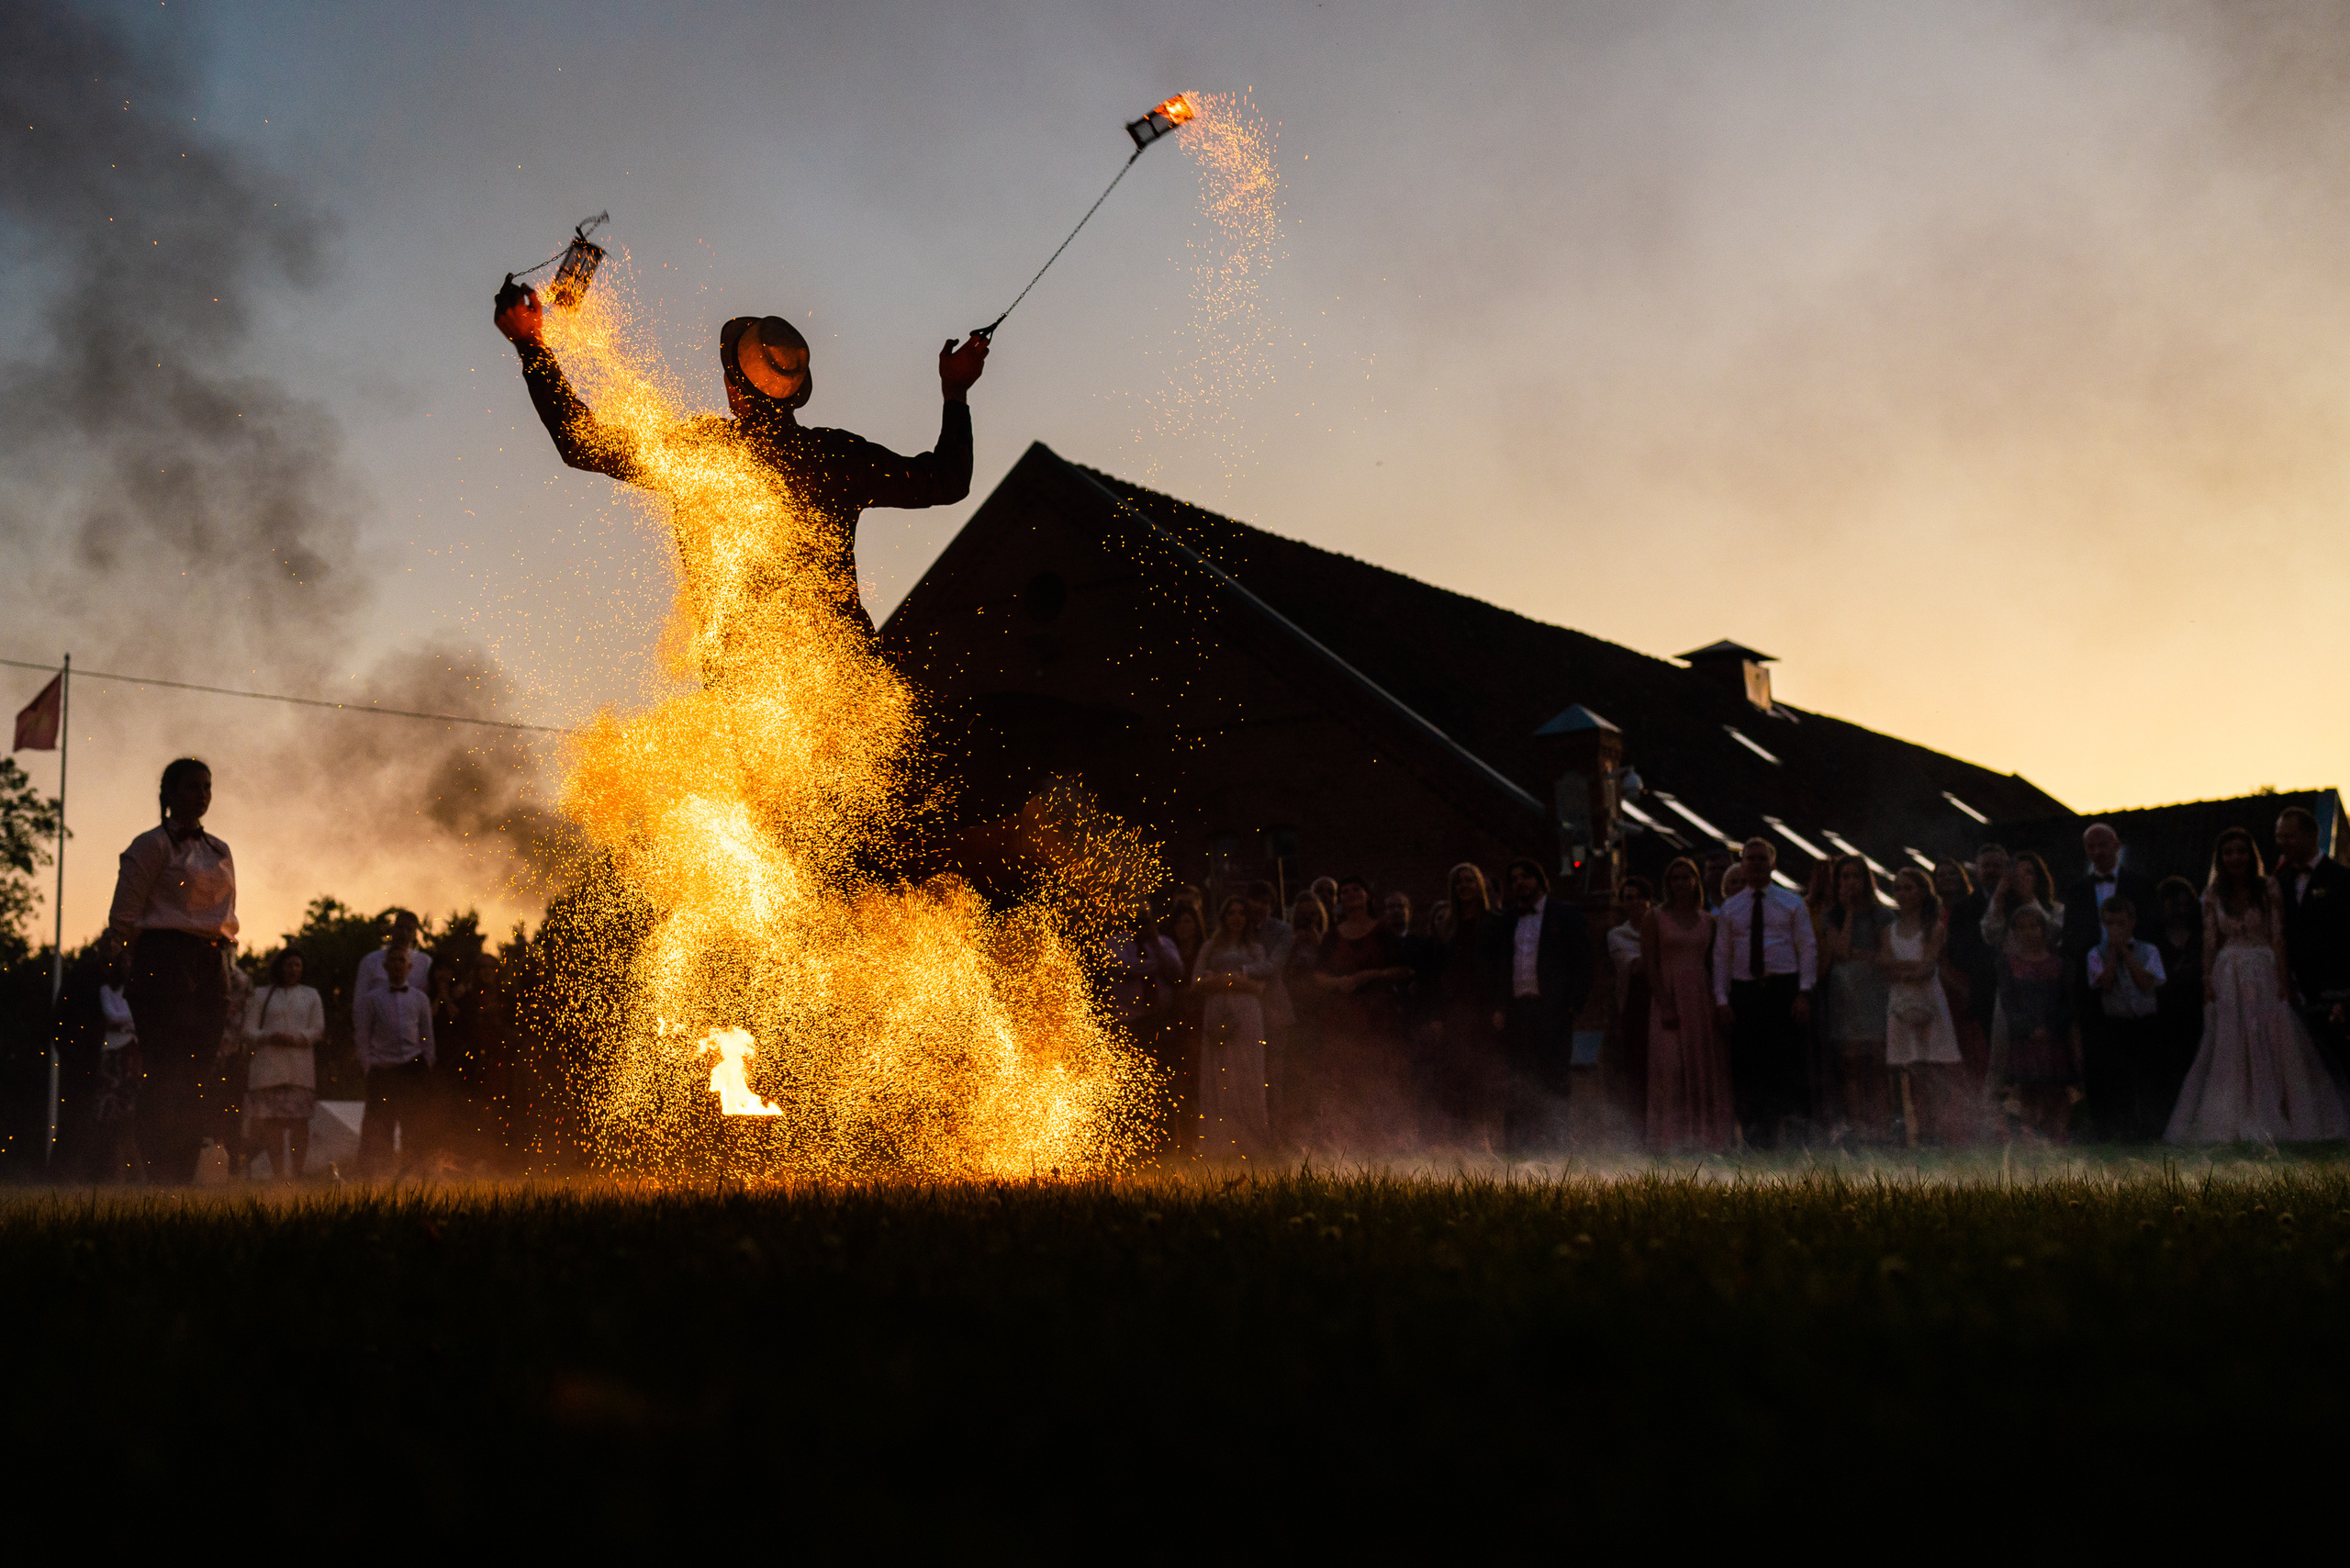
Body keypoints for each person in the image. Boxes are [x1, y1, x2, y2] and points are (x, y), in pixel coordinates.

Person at [495, 288, 987, 644]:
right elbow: (947, 481)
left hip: (752, 706)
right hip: (847, 691)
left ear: (734, 389)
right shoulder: (838, 457)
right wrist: (955, 392)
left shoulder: (702, 453)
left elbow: (579, 443)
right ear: (796, 390)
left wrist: (531, 343)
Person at [2166, 828, 2350, 1144]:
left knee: (2273, 1039)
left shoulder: (2268, 888)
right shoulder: (2212, 894)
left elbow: (2278, 935)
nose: (2235, 857)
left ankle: (2280, 1114)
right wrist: (2208, 981)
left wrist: (2283, 979)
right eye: (2229, 852)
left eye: (2241, 851)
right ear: (2221, 859)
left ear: (2251, 855)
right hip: (2229, 974)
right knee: (2230, 1042)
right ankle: (2231, 1116)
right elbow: (2211, 940)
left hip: (2264, 971)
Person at [107, 757, 237, 1184]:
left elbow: (227, 915)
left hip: (210, 959)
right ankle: (159, 1169)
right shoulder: (150, 845)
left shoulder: (219, 850)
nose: (201, 795)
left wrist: (225, 963)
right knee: (167, 1069)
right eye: (191, 787)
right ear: (169, 793)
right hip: (163, 958)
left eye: (207, 787)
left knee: (199, 1068)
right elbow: (125, 914)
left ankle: (182, 1172)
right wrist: (125, 958)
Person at [1710, 837, 1818, 1148]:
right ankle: (1758, 1137)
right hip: (1745, 993)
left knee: (1789, 1064)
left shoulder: (1792, 903)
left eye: (1761, 858)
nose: (1755, 864)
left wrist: (1804, 992)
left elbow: (1806, 948)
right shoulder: (1731, 907)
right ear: (1742, 864)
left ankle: (1798, 1137)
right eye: (1750, 859)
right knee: (1748, 1065)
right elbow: (1722, 956)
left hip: (1783, 989)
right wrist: (1721, 999)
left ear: (1772, 863)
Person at [1481, 858, 1593, 1155]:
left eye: (1526, 877)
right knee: (1518, 1080)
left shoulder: (1565, 914)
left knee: (1554, 1080)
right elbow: (1499, 968)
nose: (1520, 883)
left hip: (1553, 1011)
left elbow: (1583, 962)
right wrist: (1499, 1006)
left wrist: (1572, 1005)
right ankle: (1517, 1149)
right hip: (1518, 1011)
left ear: (1540, 880)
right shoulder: (1506, 921)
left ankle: (1556, 1147)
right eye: (1514, 879)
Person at [1313, 877, 1416, 1149]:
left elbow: (1403, 969)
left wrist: (1371, 975)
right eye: (1344, 892)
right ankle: (1350, 1140)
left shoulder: (1382, 933)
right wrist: (1339, 983)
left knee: (1381, 1076)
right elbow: (1318, 976)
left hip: (1379, 1016)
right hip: (1344, 1018)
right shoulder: (1332, 937)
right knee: (1347, 1078)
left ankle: (1387, 1140)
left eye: (1355, 889)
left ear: (1368, 896)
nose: (1349, 895)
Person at [1642, 857, 1730, 1149]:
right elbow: (1650, 964)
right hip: (1668, 992)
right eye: (1675, 878)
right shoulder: (1655, 917)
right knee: (1671, 1067)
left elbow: (1717, 963)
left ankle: (1705, 1137)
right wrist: (1665, 1004)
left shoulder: (1709, 920)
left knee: (1702, 1065)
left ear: (1696, 881)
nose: (1681, 883)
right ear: (1668, 884)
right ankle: (1669, 1138)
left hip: (1700, 995)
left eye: (1686, 877)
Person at [1880, 868, 1964, 1148]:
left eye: (1909, 888)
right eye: (1898, 889)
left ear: (1922, 892)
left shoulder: (1933, 928)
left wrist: (1902, 969)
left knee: (1932, 1068)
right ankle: (1917, 1129)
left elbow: (1927, 968)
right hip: (1901, 1002)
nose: (1903, 894)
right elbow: (1886, 968)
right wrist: (1908, 969)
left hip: (1928, 1000)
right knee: (1909, 1069)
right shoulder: (1888, 931)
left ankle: (1937, 1128)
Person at [1192, 896, 1273, 1160]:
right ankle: (1219, 1143)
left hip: (1247, 1011)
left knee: (1247, 1073)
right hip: (1217, 1009)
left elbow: (1259, 986)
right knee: (1219, 1074)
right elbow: (1197, 981)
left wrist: (1221, 980)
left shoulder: (1256, 949)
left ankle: (1252, 1143)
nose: (1236, 918)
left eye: (1241, 913)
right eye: (1231, 913)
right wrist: (1232, 980)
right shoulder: (1210, 947)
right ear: (1224, 917)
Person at [2273, 804, 2350, 1085]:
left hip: (2335, 989)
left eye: (2289, 837)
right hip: (2298, 989)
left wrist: (2344, 995)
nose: (2282, 843)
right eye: (2279, 836)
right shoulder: (2279, 882)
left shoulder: (2342, 879)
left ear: (2311, 836)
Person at [1818, 856, 1893, 1145]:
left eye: (1856, 877)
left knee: (1876, 1064)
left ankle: (1882, 1129)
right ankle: (1859, 1129)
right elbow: (1841, 951)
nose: (1850, 883)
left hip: (1873, 991)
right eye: (1845, 877)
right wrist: (1848, 912)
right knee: (1850, 1063)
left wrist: (1868, 956)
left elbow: (1885, 955)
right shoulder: (1831, 915)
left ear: (1866, 880)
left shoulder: (1883, 914)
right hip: (1844, 993)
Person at [2084, 897, 2167, 1142]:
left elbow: (2145, 983)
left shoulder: (2149, 950)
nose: (2115, 929)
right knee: (2119, 1077)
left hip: (2145, 1023)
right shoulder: (2095, 954)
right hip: (2116, 1024)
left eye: (2121, 923)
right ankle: (2124, 1127)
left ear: (2132, 922)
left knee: (2147, 1076)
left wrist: (2125, 953)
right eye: (2110, 923)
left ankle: (2151, 1128)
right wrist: (2113, 953)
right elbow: (2106, 985)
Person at [1981, 850, 2063, 1090]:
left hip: (2047, 990)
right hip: (2013, 990)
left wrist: (2030, 900)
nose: (2022, 878)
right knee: (2001, 1059)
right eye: (2016, 873)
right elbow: (1989, 933)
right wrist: (2000, 893)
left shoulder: (2055, 910)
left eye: (2028, 872)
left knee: (2048, 1055)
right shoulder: (2002, 914)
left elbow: (2054, 937)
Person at [241, 948, 325, 1182]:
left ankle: (297, 1174)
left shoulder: (311, 995)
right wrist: (268, 1036)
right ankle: (279, 1175)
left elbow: (317, 1028)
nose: (293, 970)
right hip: (269, 1069)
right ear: (279, 967)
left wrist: (297, 1038)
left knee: (299, 1123)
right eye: (289, 965)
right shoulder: (261, 995)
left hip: (299, 1070)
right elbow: (248, 1029)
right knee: (273, 1126)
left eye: (297, 965)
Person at [354, 946, 438, 1179]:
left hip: (412, 1066)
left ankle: (414, 1172)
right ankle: (379, 1173)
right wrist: (369, 1066)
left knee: (415, 1122)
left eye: (401, 961)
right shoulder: (372, 999)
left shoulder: (420, 998)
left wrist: (426, 1063)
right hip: (383, 1069)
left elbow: (427, 1035)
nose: (397, 965)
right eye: (392, 961)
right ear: (385, 966)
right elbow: (363, 1035)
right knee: (380, 1124)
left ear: (409, 967)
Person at [1997, 903, 2077, 1141]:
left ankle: (2058, 1137)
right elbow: (2008, 1002)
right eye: (2021, 927)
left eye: (2034, 926)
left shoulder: (2059, 963)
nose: (2028, 932)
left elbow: (2068, 1001)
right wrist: (2029, 1029)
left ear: (2044, 929)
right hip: (2025, 1039)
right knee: (2028, 1090)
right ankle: (2029, 1138)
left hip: (2054, 1038)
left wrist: (2051, 1028)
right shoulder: (2008, 964)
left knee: (2057, 1091)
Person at [1437, 863, 1499, 1148]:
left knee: (1485, 1074)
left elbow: (1502, 967)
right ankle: (1462, 1141)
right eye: (1459, 882)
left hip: (1486, 1008)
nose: (1464, 886)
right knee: (1459, 1073)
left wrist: (1500, 1007)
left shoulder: (1493, 923)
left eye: (1469, 881)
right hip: (1456, 1009)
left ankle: (1485, 1137)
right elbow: (1440, 972)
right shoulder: (1448, 927)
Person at [1244, 881, 1300, 1139]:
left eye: (1265, 902)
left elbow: (1274, 965)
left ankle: (1276, 1134)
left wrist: (1237, 974)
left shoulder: (1282, 931)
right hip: (1244, 1009)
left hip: (1274, 1009)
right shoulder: (1238, 927)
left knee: (1275, 1074)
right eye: (1255, 900)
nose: (1259, 906)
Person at [2151, 875, 2207, 1121]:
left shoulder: (2200, 938)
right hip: (2162, 1013)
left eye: (2185, 904)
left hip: (2194, 1011)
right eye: (2175, 904)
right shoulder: (2154, 939)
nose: (2181, 911)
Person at [1605, 876, 1653, 1131]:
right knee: (1637, 1067)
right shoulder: (1617, 935)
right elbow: (1635, 966)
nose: (1634, 902)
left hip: (1661, 999)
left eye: (1638, 896)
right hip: (1636, 1004)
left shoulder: (1661, 928)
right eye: (1628, 897)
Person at [1162, 902, 1208, 1156]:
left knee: (1196, 1085)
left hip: (1198, 1022)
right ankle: (1177, 1141)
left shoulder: (1203, 951)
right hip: (1171, 1022)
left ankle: (1194, 1141)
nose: (1184, 927)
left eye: (1188, 921)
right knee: (1175, 1086)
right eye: (1179, 922)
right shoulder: (1167, 950)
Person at [356, 910, 434, 1003]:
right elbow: (360, 998)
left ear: (415, 935)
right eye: (400, 927)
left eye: (409, 929)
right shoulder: (371, 961)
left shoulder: (425, 962)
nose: (404, 933)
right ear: (393, 929)